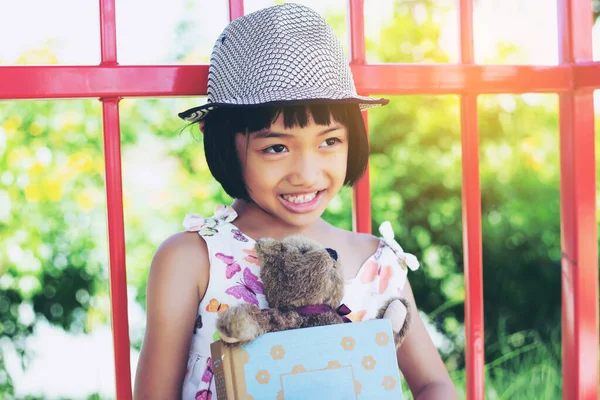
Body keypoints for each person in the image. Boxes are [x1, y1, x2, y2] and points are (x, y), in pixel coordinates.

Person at [133, 3, 458, 399]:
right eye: (275, 148)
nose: (306, 172)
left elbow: (433, 384)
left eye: (329, 141)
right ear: (221, 143)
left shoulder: (379, 262)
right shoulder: (191, 258)